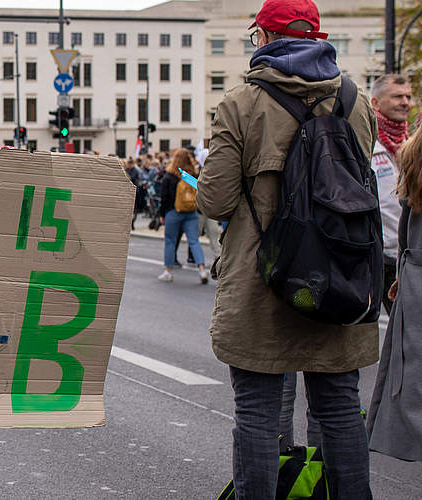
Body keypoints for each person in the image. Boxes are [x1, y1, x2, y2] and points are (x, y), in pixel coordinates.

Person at [195, 1, 377, 497]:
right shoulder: (356, 100)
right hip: (342, 271)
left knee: (256, 410)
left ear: (265, 37)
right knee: (339, 406)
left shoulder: (242, 101)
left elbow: (215, 199)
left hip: (263, 277)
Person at [367, 130, 422, 462]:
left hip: (416, 279)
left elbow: (406, 222)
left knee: (414, 384)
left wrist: (403, 273)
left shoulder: (413, 153)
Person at [369, 74, 412, 312]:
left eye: (408, 96)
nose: (405, 102)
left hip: (410, 255)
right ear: (375, 103)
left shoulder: (411, 144)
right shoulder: (367, 143)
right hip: (380, 257)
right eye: (397, 96)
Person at [157, 149, 208, 284]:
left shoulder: (169, 175)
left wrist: (162, 215)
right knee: (194, 241)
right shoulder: (192, 174)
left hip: (173, 212)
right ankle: (202, 269)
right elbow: (199, 192)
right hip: (191, 212)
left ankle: (168, 271)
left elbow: (164, 197)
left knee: (170, 241)